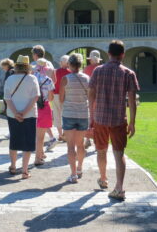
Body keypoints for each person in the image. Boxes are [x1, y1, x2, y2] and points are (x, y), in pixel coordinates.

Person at [89, 40, 139, 200]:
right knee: (119, 153)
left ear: (109, 53)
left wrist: (91, 114)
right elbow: (132, 100)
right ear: (122, 54)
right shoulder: (128, 73)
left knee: (101, 150)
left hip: (100, 117)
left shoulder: (98, 71)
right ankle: (119, 187)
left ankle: (103, 179)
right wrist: (132, 122)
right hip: (118, 119)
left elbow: (91, 94)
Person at [4, 55, 40, 180]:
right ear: (28, 66)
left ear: (17, 66)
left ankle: (13, 166)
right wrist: (23, 113)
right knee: (28, 143)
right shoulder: (32, 78)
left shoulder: (10, 79)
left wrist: (16, 113)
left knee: (14, 140)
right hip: (29, 114)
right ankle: (25, 171)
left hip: (12, 115)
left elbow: (7, 98)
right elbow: (35, 97)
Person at [59, 53, 90, 183]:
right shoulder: (87, 78)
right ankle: (79, 168)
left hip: (69, 114)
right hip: (83, 114)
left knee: (70, 146)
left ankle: (73, 175)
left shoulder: (65, 79)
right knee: (80, 144)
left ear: (70, 65)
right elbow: (90, 97)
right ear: (81, 64)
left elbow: (61, 98)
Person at [31, 45, 57, 148]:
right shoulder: (49, 64)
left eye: (33, 54)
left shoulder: (34, 65)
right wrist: (47, 87)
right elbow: (54, 81)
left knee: (37, 120)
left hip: (36, 96)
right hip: (47, 95)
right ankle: (51, 138)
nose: (32, 56)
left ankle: (38, 144)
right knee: (44, 118)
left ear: (36, 54)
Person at [33, 58, 55, 166]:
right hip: (44, 107)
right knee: (41, 136)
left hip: (33, 107)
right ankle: (37, 158)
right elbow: (51, 98)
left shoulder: (32, 79)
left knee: (36, 134)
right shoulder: (48, 80)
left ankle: (40, 153)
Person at [83, 50, 102, 149]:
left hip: (89, 97)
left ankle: (88, 139)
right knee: (98, 120)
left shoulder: (86, 69)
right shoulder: (102, 69)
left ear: (90, 60)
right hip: (100, 98)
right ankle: (97, 140)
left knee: (89, 119)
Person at [52, 55, 71, 142]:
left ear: (60, 63)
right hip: (66, 95)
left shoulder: (55, 72)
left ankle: (60, 135)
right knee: (66, 115)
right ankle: (65, 134)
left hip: (56, 95)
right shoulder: (70, 73)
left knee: (57, 115)